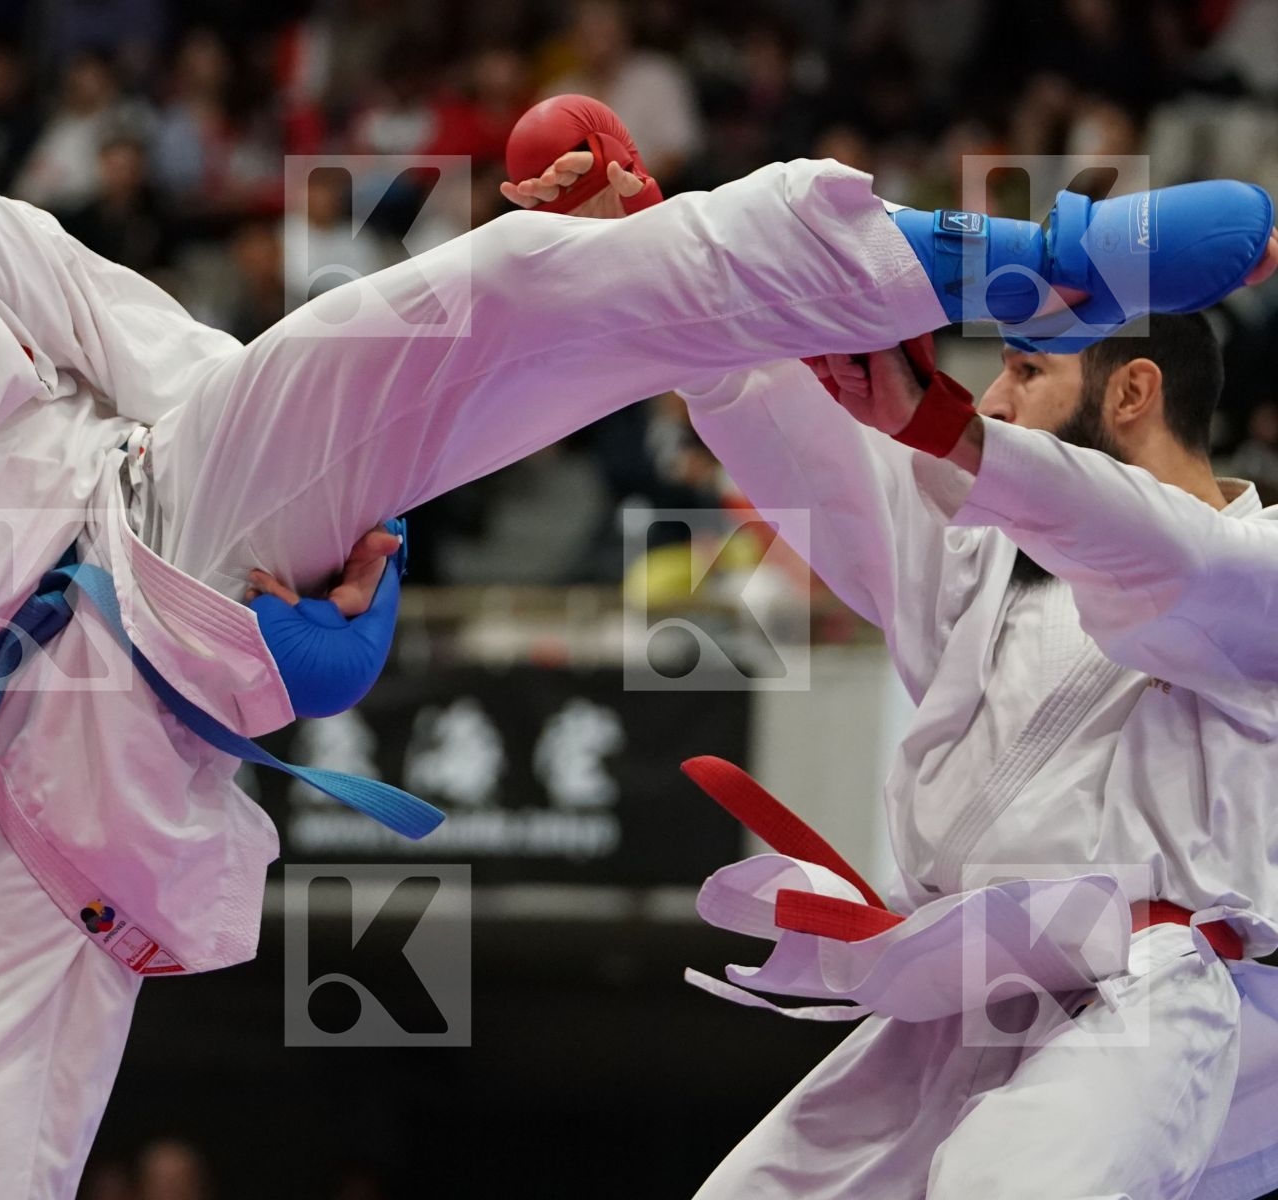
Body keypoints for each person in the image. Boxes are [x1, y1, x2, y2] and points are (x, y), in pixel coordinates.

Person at [0, 7, 1266, 1198]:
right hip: (20, 762)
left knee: (494, 292)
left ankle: (998, 258)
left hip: (165, 528)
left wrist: (340, 552)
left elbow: (186, 364)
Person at [505, 131, 1278, 1197]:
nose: (995, 399)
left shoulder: (1257, 569)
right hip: (957, 1000)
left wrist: (948, 430)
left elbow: (1155, 554)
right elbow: (810, 446)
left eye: (1025, 371)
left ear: (1133, 394)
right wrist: (646, 250)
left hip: (1163, 1002)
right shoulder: (979, 554)